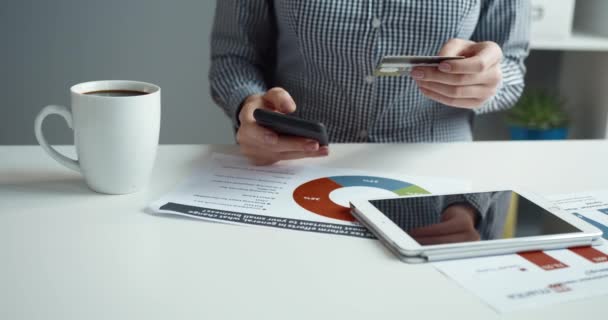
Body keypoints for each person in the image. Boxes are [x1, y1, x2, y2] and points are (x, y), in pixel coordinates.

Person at [209, 0, 530, 166]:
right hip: (295, 169)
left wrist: (489, 81)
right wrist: (248, 103)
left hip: (439, 181)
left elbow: (512, 69)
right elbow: (233, 58)